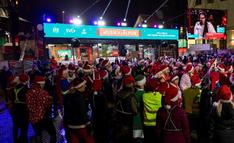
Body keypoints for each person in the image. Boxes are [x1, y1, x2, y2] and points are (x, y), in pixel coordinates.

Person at [26, 75, 56, 143]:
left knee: (38, 134)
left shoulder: (28, 92)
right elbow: (47, 105)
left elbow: (29, 106)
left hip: (33, 118)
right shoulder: (43, 93)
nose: (43, 85)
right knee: (53, 133)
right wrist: (50, 100)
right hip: (43, 117)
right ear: (40, 83)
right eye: (43, 84)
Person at [63, 78, 94, 143]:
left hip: (70, 125)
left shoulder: (67, 96)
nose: (85, 86)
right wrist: (88, 125)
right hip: (80, 126)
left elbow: (65, 112)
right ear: (80, 86)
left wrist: (65, 123)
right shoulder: (79, 97)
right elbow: (82, 113)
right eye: (84, 85)